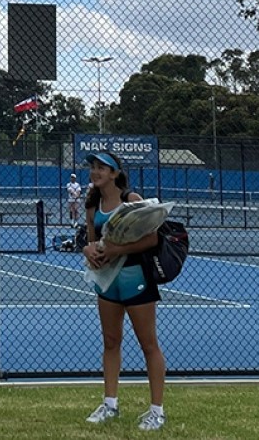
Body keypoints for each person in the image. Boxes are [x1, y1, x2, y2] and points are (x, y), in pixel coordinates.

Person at [81, 151, 166, 431]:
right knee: (110, 341)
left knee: (148, 344)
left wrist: (119, 250)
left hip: (136, 280)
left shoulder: (132, 200)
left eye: (101, 168)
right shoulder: (92, 205)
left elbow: (152, 238)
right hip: (107, 283)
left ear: (115, 173)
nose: (95, 172)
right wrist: (88, 249)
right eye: (93, 167)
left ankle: (156, 411)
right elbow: (92, 241)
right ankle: (110, 404)